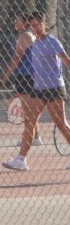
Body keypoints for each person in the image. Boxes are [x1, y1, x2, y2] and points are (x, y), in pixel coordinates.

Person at [2, 11, 70, 172]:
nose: (35, 28)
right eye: (32, 26)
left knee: (60, 123)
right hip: (39, 89)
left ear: (44, 25)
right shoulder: (33, 42)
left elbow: (67, 60)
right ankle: (21, 159)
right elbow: (22, 59)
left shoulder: (53, 42)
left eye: (38, 25)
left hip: (55, 88)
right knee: (30, 122)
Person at [2, 14, 45, 146]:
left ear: (25, 23)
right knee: (30, 109)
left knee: (27, 110)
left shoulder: (25, 36)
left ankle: (29, 138)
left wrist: (5, 76)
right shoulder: (31, 35)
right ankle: (35, 137)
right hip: (30, 75)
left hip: (25, 76)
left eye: (18, 20)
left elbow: (17, 58)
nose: (15, 22)